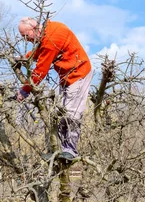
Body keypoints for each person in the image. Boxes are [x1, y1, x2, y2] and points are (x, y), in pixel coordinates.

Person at [16, 17, 92, 162]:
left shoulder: (52, 38)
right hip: (67, 76)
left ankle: (70, 151)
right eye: (22, 37)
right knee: (61, 111)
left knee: (71, 113)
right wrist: (24, 59)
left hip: (78, 73)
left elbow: (40, 71)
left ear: (34, 28)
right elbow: (38, 51)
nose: (26, 40)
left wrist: (25, 90)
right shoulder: (47, 33)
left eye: (26, 35)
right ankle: (58, 151)